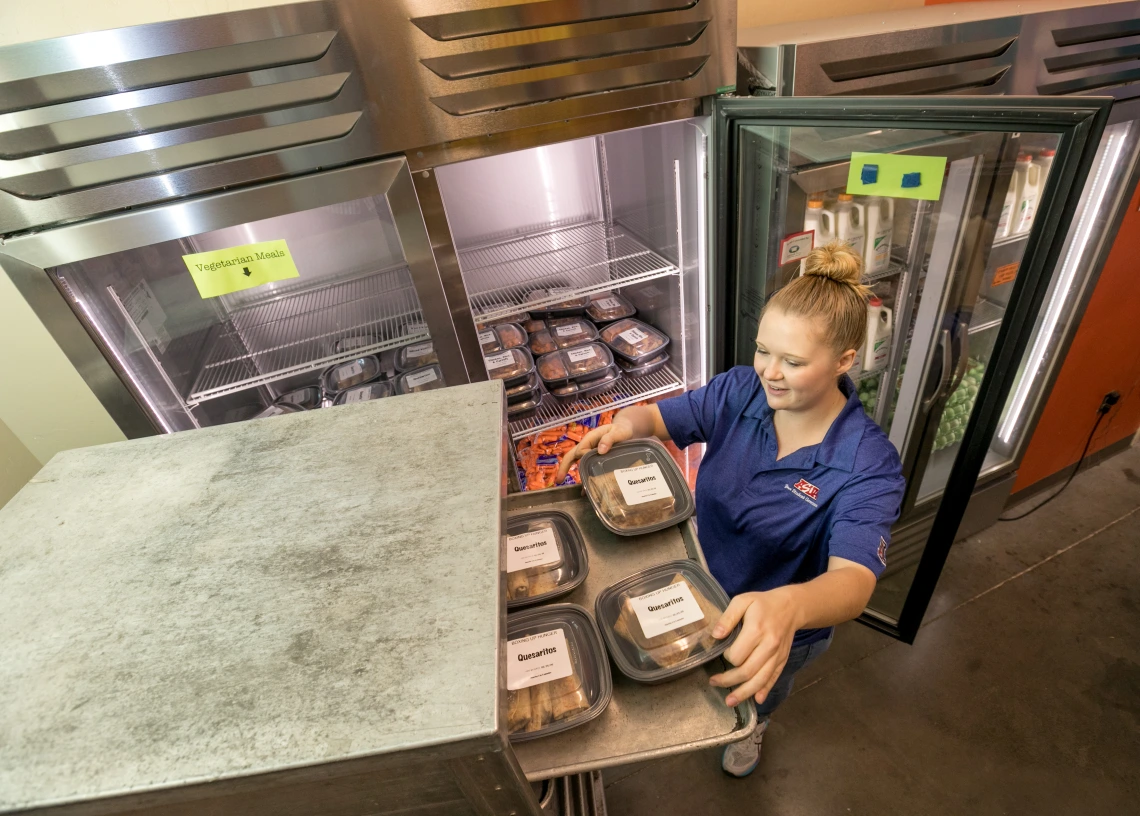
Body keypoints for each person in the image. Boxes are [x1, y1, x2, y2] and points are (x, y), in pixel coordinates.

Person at [557, 241, 906, 778]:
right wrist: (624, 426)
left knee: (754, 697)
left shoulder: (866, 463)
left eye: (793, 361)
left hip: (777, 626)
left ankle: (756, 729)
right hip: (696, 584)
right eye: (763, 350)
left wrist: (788, 608)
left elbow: (854, 582)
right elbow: (659, 419)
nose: (770, 372)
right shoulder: (740, 391)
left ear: (844, 361)